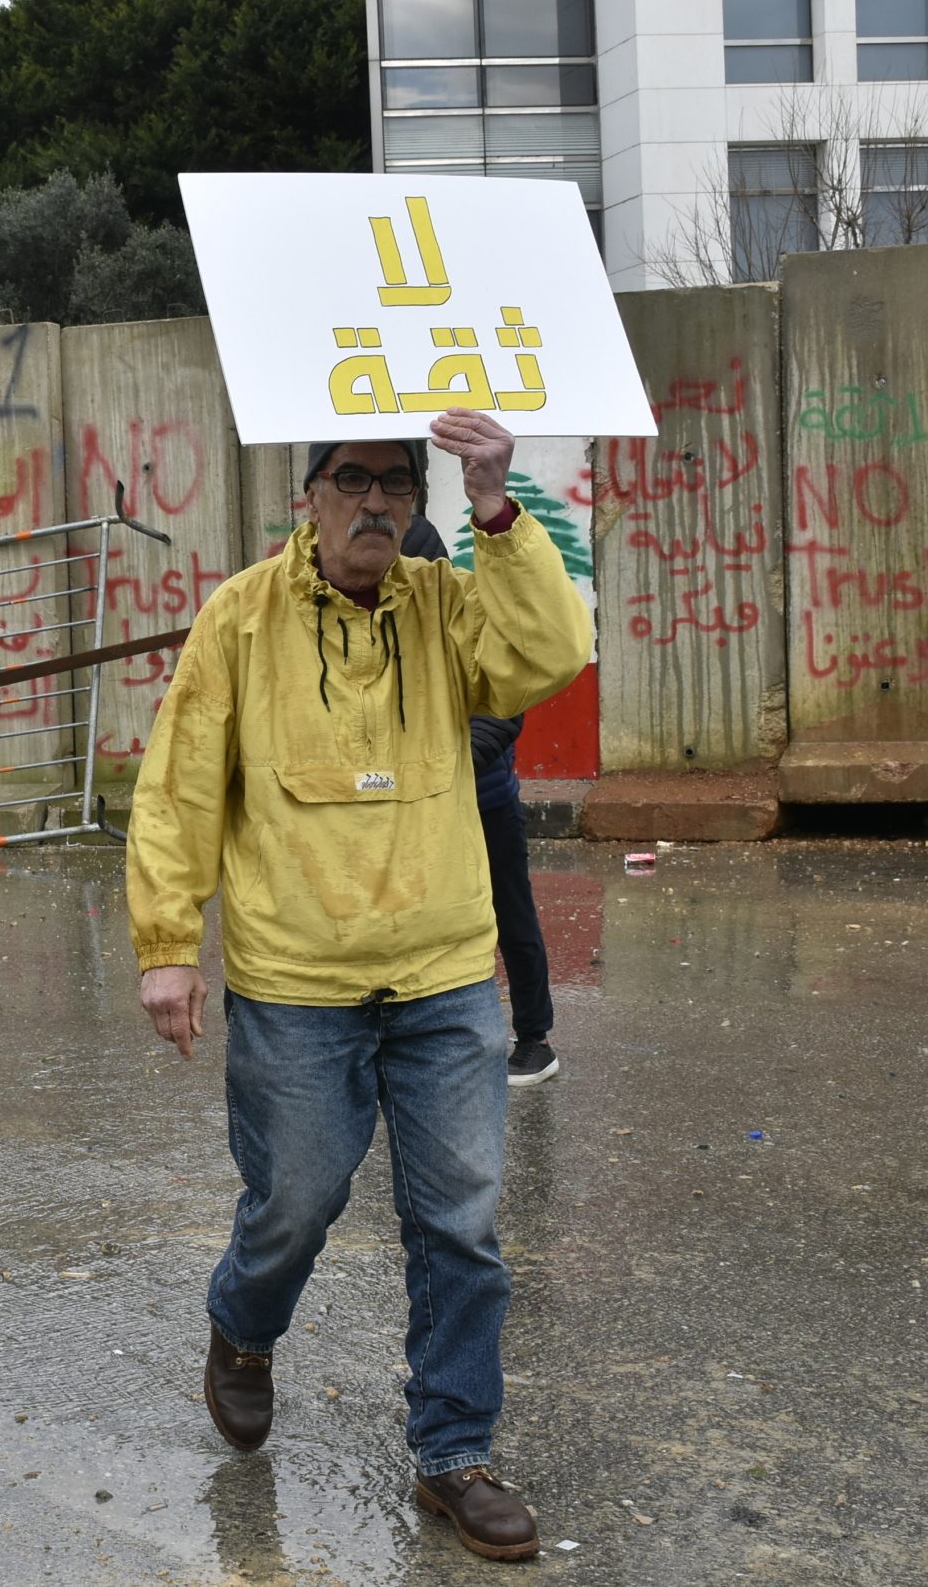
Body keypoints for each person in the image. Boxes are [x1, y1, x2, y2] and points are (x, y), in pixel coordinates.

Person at [128, 413, 590, 1563]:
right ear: (310, 495)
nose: (376, 501)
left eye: (398, 480)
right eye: (353, 480)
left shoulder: (447, 603)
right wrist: (165, 942)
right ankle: (242, 1325)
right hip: (296, 980)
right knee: (293, 1202)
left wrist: (496, 510)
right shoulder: (239, 617)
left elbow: (551, 652)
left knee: (462, 1224)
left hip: (439, 975)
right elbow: (181, 783)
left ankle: (453, 1454)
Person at [399, 522, 559, 1086]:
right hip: (408, 812)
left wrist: (440, 767)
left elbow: (502, 713)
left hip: (484, 802)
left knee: (511, 918)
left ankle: (535, 1037)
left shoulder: (466, 620)